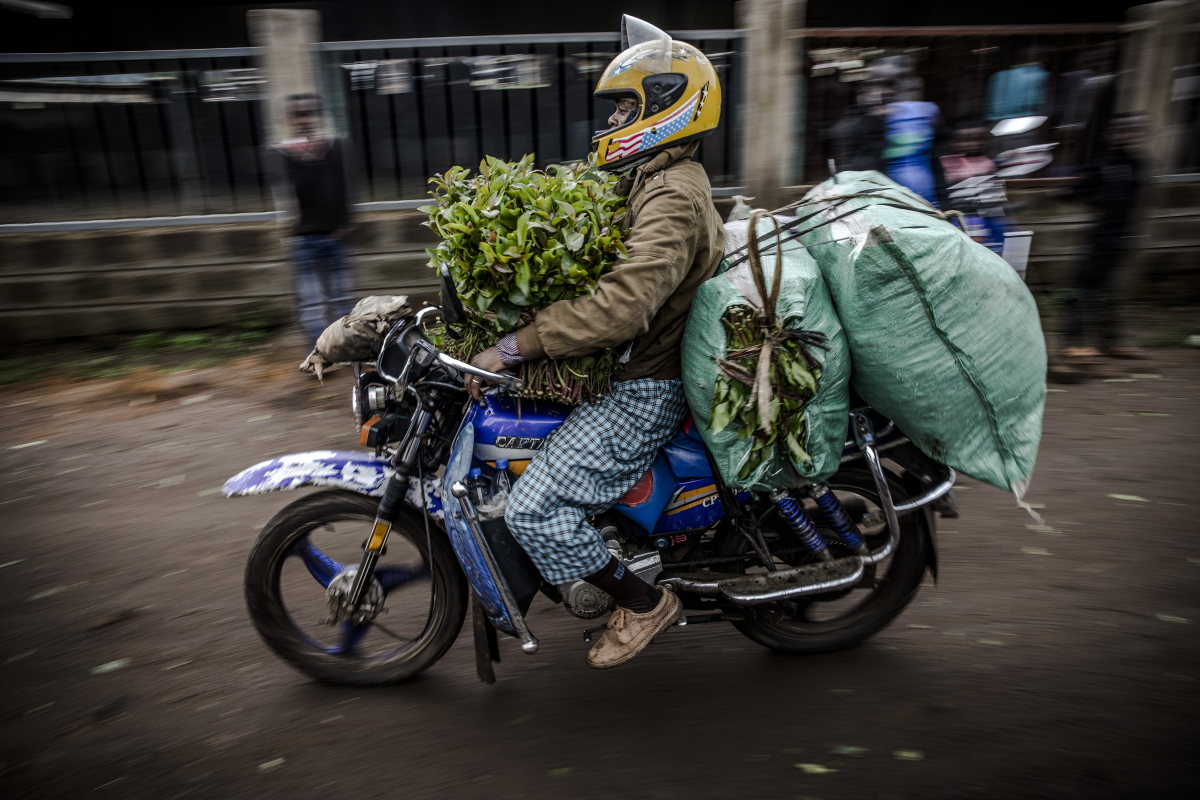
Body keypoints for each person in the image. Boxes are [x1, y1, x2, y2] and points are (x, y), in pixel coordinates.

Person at [463, 16, 725, 670]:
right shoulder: (650, 179)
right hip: (634, 369)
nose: (611, 123)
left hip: (647, 387)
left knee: (536, 508)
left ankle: (642, 603)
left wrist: (516, 346)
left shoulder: (671, 196)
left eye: (626, 107)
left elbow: (624, 307)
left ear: (669, 106)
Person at [1061, 114, 1149, 363]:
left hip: (1121, 238)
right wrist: (1096, 202)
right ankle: (1073, 342)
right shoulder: (1101, 165)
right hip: (1100, 237)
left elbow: (1136, 203)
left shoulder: (1138, 166)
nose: (1126, 136)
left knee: (1108, 292)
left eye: (1131, 131)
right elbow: (1070, 192)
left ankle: (1111, 342)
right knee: (1083, 289)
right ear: (1110, 136)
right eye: (1120, 131)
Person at [276, 93, 355, 346]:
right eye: (299, 115)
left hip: (336, 237)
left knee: (342, 301)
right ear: (291, 119)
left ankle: (344, 349)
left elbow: (343, 187)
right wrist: (307, 157)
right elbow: (297, 191)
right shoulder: (288, 154)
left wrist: (346, 224)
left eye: (309, 113)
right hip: (306, 240)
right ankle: (319, 352)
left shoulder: (334, 147)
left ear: (319, 116)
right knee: (312, 304)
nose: (305, 120)